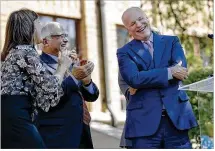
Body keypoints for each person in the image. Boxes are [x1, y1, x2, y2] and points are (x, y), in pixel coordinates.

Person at [117, 7, 198, 149]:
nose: (139, 24)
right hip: (143, 124)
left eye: (141, 19)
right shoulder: (124, 52)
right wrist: (169, 72)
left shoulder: (172, 41)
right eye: (133, 23)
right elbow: (134, 79)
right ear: (128, 29)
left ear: (147, 18)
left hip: (176, 120)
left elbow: (181, 70)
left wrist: (145, 78)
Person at [1, 9, 71, 149]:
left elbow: (44, 99)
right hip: (17, 117)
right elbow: (50, 87)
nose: (42, 27)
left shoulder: (15, 52)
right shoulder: (25, 51)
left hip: (11, 115)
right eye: (38, 23)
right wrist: (62, 67)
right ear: (29, 27)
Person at [36, 22, 99, 149]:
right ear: (45, 41)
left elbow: (91, 97)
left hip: (82, 133)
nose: (65, 39)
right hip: (58, 136)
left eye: (65, 35)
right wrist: (74, 78)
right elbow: (50, 97)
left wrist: (87, 81)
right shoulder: (37, 65)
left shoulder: (71, 62)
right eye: (59, 36)